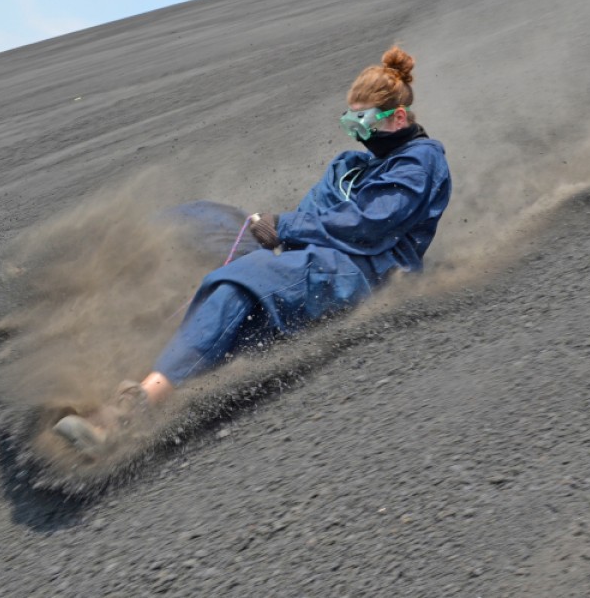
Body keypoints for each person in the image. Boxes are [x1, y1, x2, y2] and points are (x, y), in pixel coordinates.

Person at [54, 47, 452, 455]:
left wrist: (283, 227)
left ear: (398, 117)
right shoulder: (349, 164)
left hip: (361, 270)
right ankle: (87, 304)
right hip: (313, 257)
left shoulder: (419, 163)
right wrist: (270, 230)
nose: (355, 132)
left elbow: (369, 225)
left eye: (363, 121)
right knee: (205, 218)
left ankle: (129, 414)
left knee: (238, 283)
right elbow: (312, 214)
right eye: (349, 120)